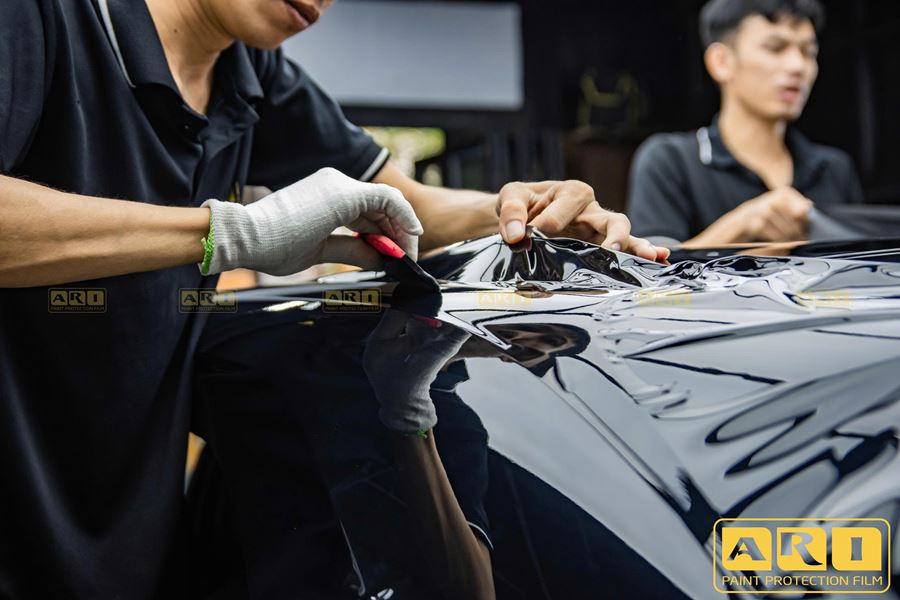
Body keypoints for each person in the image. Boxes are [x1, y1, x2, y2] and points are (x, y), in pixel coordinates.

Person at [0, 0, 668, 598]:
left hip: (129, 522)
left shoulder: (254, 76)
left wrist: (521, 208)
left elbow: (411, 204)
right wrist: (235, 233)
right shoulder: (39, 18)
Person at [627, 0, 865, 246]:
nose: (797, 66)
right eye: (775, 48)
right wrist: (743, 225)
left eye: (808, 52)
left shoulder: (834, 170)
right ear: (721, 62)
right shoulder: (670, 161)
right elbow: (653, 266)